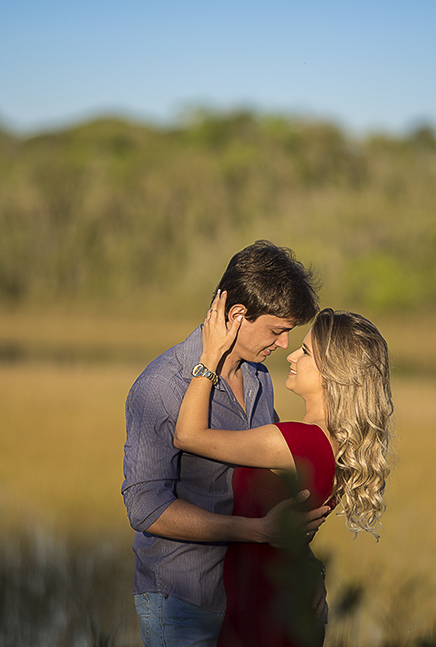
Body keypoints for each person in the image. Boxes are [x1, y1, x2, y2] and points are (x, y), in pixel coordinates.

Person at [122, 240, 327, 647]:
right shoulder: (161, 387)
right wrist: (254, 532)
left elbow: (266, 487)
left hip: (245, 596)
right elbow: (145, 508)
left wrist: (307, 570)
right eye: (277, 330)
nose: (284, 344)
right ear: (236, 315)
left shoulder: (258, 377)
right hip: (181, 598)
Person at [174, 292, 393, 647]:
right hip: (280, 606)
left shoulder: (296, 442)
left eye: (306, 353)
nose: (291, 354)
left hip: (262, 613)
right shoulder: (336, 444)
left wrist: (210, 355)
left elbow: (187, 435)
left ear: (332, 375)